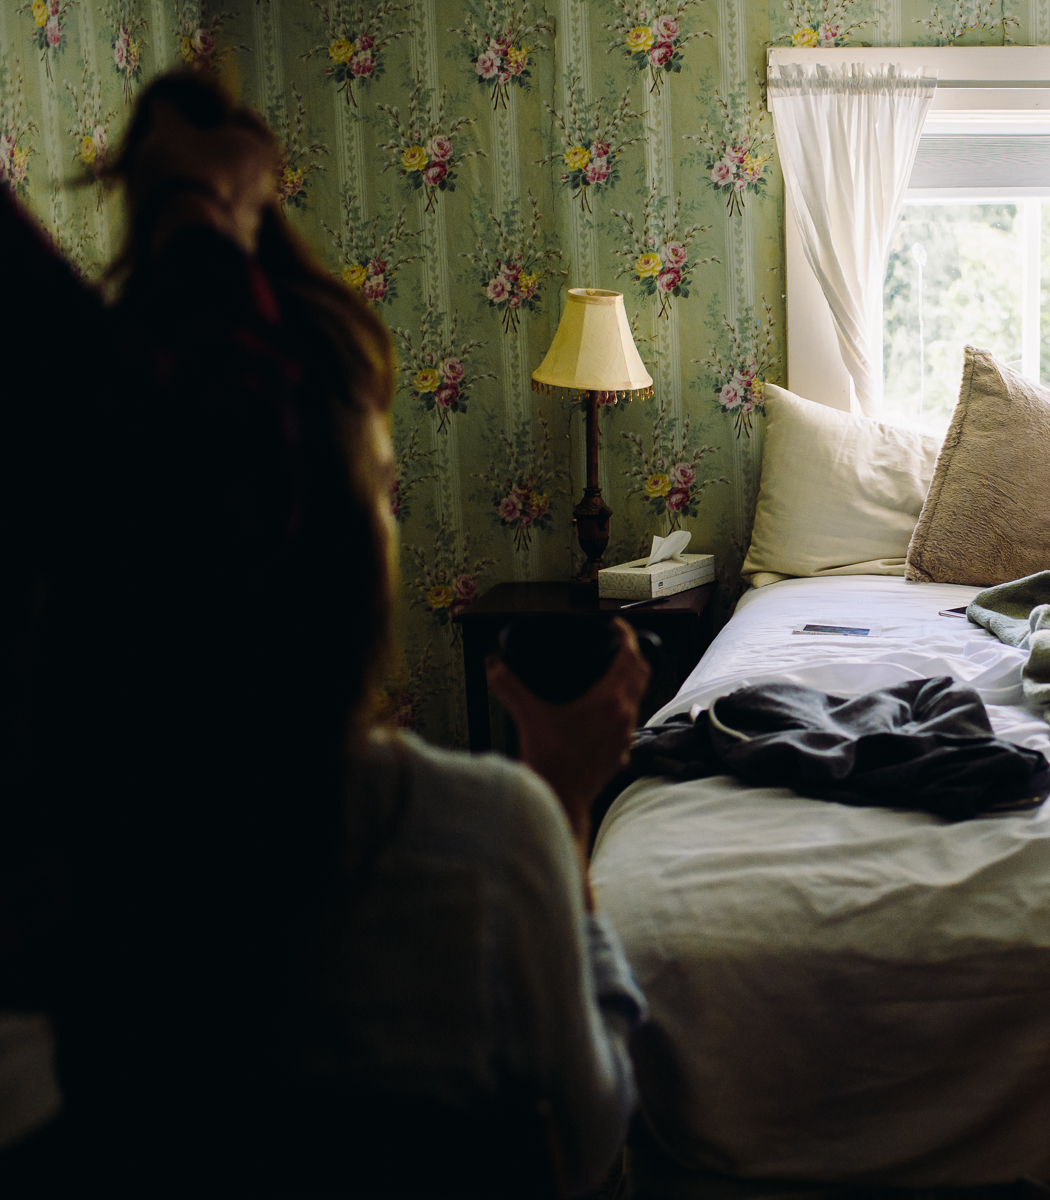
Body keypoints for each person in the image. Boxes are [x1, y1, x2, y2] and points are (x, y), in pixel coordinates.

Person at [0, 72, 649, 1196]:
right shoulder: (491, 839)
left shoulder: (63, 841)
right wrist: (569, 809)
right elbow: (595, 1143)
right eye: (384, 487)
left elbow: (147, 449)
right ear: (355, 551)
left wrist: (191, 213)